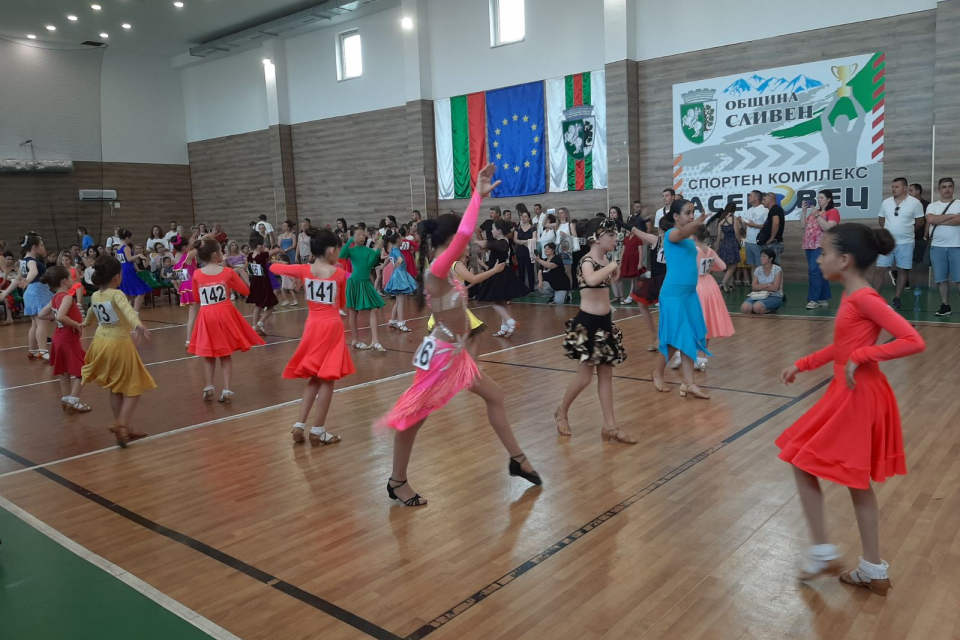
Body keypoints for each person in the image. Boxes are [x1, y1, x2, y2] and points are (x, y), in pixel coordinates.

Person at [378, 163, 541, 507]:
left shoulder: (447, 271)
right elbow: (467, 235)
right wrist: (476, 198)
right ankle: (397, 481)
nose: (468, 247)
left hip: (455, 353)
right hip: (440, 355)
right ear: (450, 242)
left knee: (494, 396)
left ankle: (517, 460)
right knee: (413, 420)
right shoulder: (437, 270)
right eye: (462, 243)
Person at [776, 223, 925, 595]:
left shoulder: (864, 298)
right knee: (857, 484)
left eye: (823, 252)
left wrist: (864, 354)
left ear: (843, 260)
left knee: (801, 460)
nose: (819, 257)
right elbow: (842, 347)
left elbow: (913, 340)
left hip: (858, 394)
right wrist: (805, 362)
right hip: (852, 390)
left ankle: (824, 551)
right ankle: (873, 569)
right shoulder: (854, 294)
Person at [268, 229, 355, 446]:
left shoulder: (304, 270)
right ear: (332, 250)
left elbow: (273, 267)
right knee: (327, 379)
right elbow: (342, 303)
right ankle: (318, 429)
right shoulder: (338, 273)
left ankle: (299, 424)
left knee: (314, 378)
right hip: (332, 326)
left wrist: (273, 257)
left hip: (312, 327)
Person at [555, 218, 635, 444]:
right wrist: (612, 266)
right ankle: (561, 411)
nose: (615, 239)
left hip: (603, 324)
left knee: (606, 375)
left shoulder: (606, 259)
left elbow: (609, 281)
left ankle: (610, 426)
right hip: (586, 324)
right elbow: (590, 280)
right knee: (584, 378)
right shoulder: (586, 261)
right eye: (610, 235)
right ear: (596, 239)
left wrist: (613, 270)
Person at [81, 255, 156, 447]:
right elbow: (129, 311)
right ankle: (121, 423)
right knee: (135, 386)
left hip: (100, 342)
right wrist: (138, 325)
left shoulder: (96, 295)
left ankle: (124, 429)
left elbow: (89, 316)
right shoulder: (117, 294)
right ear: (116, 277)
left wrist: (82, 324)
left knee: (116, 387)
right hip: (118, 344)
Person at [189, 238, 264, 402]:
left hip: (206, 315)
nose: (223, 253)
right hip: (224, 314)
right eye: (221, 251)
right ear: (216, 254)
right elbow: (245, 291)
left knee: (208, 353)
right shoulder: (228, 272)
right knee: (225, 353)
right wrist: (238, 276)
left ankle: (209, 386)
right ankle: (227, 389)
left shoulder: (197, 274)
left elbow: (195, 297)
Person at [651, 200, 711, 399]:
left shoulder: (689, 238)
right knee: (674, 338)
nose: (691, 216)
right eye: (687, 213)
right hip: (673, 294)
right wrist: (699, 221)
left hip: (689, 294)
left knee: (690, 337)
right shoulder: (671, 235)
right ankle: (658, 372)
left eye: (693, 213)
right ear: (676, 217)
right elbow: (683, 233)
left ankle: (689, 383)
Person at [37, 266, 90, 414]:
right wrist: (75, 324)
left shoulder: (55, 298)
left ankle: (66, 398)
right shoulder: (66, 297)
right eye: (71, 277)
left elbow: (41, 314)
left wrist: (57, 317)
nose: (73, 279)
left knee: (64, 371)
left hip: (59, 338)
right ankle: (74, 400)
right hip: (68, 339)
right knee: (83, 370)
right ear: (65, 281)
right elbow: (61, 316)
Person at [473, 219, 530, 337]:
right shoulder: (498, 242)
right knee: (501, 302)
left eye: (493, 229)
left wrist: (472, 238)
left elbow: (484, 244)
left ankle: (511, 322)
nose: (492, 231)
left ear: (499, 231)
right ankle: (504, 328)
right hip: (498, 273)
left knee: (493, 301)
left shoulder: (503, 242)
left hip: (501, 274)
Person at [874, 177, 924, 308]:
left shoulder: (915, 203)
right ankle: (874, 298)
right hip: (887, 242)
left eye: (896, 187)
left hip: (906, 242)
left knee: (903, 270)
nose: (893, 189)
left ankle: (897, 298)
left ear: (905, 188)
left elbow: (920, 222)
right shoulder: (886, 202)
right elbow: (881, 220)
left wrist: (906, 230)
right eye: (892, 187)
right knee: (880, 269)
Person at [693, 226, 734, 371]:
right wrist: (710, 268)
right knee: (706, 323)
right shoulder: (709, 250)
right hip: (709, 285)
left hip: (696, 286)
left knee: (693, 322)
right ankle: (702, 360)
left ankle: (687, 357)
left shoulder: (693, 250)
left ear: (693, 236)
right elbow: (722, 266)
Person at [340, 226, 386, 352]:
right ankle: (355, 340)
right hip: (354, 282)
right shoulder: (352, 250)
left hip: (365, 283)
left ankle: (375, 342)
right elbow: (342, 255)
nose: (362, 236)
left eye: (362, 234)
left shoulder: (368, 250)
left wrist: (377, 251)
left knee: (374, 309)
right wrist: (349, 241)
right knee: (353, 312)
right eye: (359, 234)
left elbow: (369, 265)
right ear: (354, 236)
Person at [925, 176, 960, 316]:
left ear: (953, 188)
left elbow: (958, 221)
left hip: (956, 246)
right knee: (941, 279)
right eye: (944, 187)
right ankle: (945, 305)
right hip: (937, 247)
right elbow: (930, 219)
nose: (947, 189)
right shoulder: (932, 206)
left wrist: (939, 220)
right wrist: (951, 216)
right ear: (939, 189)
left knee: (959, 279)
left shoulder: (959, 203)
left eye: (949, 186)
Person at [801, 190, 841, 309]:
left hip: (822, 245)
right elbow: (803, 226)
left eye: (822, 197)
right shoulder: (815, 211)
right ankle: (823, 298)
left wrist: (817, 216)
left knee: (813, 271)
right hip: (809, 245)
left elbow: (828, 228)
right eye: (818, 197)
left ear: (829, 199)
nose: (819, 200)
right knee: (819, 272)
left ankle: (813, 300)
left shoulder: (833, 212)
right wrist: (804, 212)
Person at [19, 234, 54, 362]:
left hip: (30, 293)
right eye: (41, 245)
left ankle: (32, 350)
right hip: (38, 291)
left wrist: (6, 292)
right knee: (42, 323)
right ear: (34, 247)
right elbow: (33, 272)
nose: (43, 247)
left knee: (34, 323)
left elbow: (18, 278)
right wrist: (28, 280)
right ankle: (43, 351)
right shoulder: (32, 261)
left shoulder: (23, 261)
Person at [246, 234, 281, 336]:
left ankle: (254, 326)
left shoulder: (250, 256)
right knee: (271, 305)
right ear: (259, 246)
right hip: (264, 283)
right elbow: (276, 250)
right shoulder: (262, 255)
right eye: (262, 245)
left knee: (258, 306)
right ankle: (259, 324)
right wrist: (272, 244)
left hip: (255, 282)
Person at [382, 231, 417, 332]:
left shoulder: (393, 249)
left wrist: (383, 267)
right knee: (401, 300)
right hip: (400, 275)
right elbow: (400, 260)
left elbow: (388, 259)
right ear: (398, 240)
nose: (402, 240)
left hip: (398, 274)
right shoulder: (396, 250)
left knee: (398, 300)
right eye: (401, 239)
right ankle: (401, 322)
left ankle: (393, 320)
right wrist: (397, 265)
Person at [115, 230, 153, 313]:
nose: (130, 240)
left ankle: (124, 312)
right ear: (127, 238)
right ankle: (135, 312)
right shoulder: (126, 247)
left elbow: (120, 260)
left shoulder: (118, 248)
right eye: (130, 238)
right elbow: (129, 259)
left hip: (122, 269)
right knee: (141, 290)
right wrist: (139, 255)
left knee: (127, 294)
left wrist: (137, 269)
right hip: (128, 270)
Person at [173, 237, 200, 346]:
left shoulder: (177, 256)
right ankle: (194, 338)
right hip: (192, 285)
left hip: (185, 286)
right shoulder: (188, 255)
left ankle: (189, 340)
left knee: (192, 315)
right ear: (184, 247)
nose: (190, 246)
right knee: (200, 313)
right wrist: (207, 237)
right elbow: (198, 247)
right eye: (188, 245)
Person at [741, 248, 784, 315]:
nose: (761, 258)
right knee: (745, 308)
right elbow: (754, 287)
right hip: (758, 295)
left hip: (774, 296)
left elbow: (775, 288)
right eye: (761, 256)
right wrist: (768, 285)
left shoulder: (777, 269)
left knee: (757, 307)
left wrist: (760, 287)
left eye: (764, 256)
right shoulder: (758, 270)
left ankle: (768, 310)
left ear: (770, 258)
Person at [738, 190, 768, 271]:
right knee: (752, 266)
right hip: (748, 241)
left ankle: (762, 283)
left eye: (750, 195)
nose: (748, 197)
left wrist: (754, 225)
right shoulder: (749, 210)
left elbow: (767, 226)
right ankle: (754, 283)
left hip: (758, 242)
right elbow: (746, 228)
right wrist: (741, 222)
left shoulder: (764, 209)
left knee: (760, 266)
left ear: (756, 197)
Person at [715, 203, 741, 292]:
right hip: (733, 243)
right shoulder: (734, 219)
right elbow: (737, 233)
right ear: (734, 210)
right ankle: (723, 283)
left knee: (727, 265)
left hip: (724, 244)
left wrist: (717, 247)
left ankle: (730, 285)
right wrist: (739, 242)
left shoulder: (721, 220)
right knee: (733, 266)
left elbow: (719, 235)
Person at [515, 209, 538, 290]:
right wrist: (526, 241)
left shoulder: (532, 227)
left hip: (529, 251)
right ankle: (522, 288)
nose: (523, 218)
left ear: (529, 218)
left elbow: (534, 239)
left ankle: (531, 288)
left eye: (525, 216)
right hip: (520, 251)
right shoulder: (518, 228)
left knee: (530, 269)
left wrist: (523, 241)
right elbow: (515, 240)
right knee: (521, 270)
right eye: (522, 216)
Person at [759, 192, 785, 262]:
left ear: (770, 199)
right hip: (772, 243)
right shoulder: (772, 210)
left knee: (774, 267)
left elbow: (776, 223)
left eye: (764, 199)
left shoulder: (775, 209)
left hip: (774, 243)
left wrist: (771, 238)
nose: (762, 202)